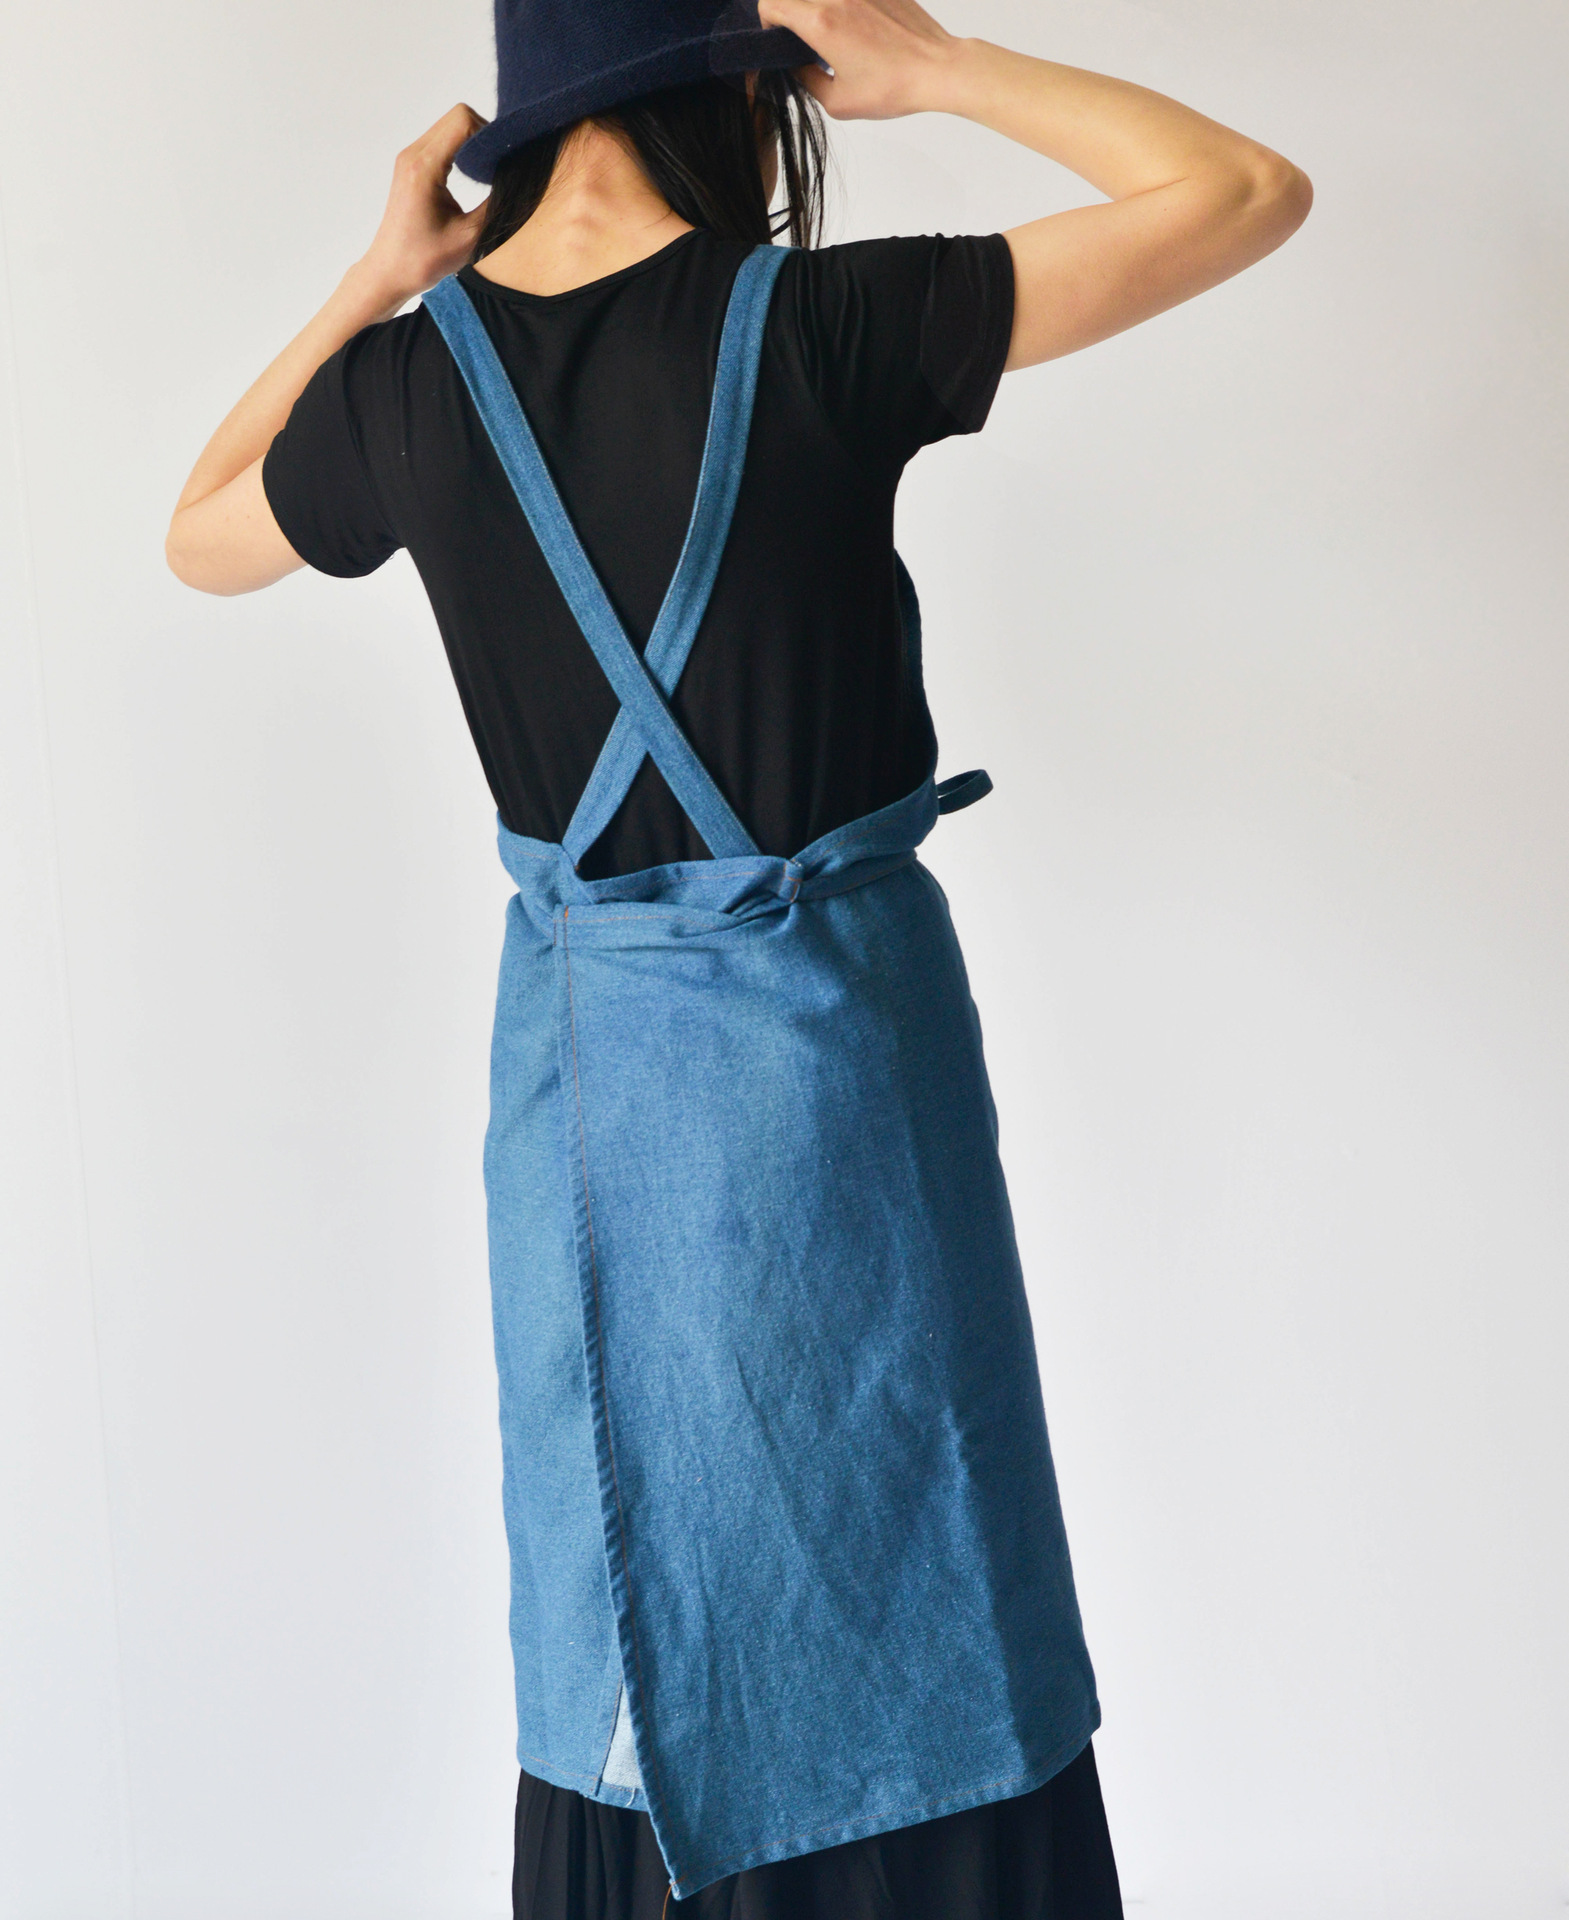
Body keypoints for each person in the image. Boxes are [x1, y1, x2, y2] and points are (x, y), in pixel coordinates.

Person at [167, 1, 1310, 1914]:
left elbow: (200, 532)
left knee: (626, 1568)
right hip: (845, 1061)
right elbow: (1242, 191)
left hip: (586, 1096)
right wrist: (941, 68)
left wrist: (376, 281)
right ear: (743, 95)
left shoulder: (404, 390)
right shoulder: (825, 324)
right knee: (923, 1533)